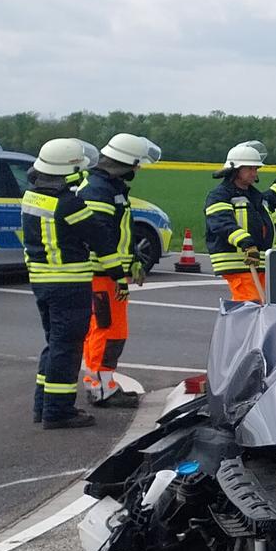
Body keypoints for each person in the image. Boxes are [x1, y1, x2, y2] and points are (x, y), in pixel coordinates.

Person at [77, 132, 160, 409]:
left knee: (109, 331)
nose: (138, 170)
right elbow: (100, 237)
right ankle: (101, 389)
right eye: (136, 164)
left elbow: (119, 233)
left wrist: (134, 260)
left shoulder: (109, 187)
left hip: (109, 274)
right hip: (103, 275)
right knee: (105, 330)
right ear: (126, 162)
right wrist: (116, 273)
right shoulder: (99, 191)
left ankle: (102, 384)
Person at [23, 139, 99, 429]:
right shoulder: (69, 203)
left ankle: (42, 405)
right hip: (69, 284)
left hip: (43, 281)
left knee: (54, 344)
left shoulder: (33, 196)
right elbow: (97, 235)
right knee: (67, 348)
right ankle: (59, 411)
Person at [204, 143, 273, 302]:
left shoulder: (255, 196)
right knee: (250, 303)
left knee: (259, 305)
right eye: (249, 168)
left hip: (258, 261)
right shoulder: (219, 195)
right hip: (238, 260)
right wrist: (246, 243)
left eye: (255, 169)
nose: (254, 173)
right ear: (235, 170)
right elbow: (222, 223)